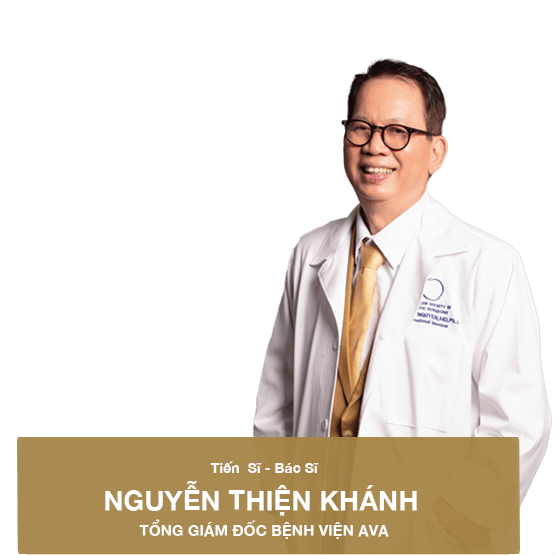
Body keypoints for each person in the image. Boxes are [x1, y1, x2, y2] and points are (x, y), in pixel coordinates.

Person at [252, 58, 550, 505]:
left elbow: (518, 426)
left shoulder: (488, 264)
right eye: (361, 128)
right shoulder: (310, 254)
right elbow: (277, 407)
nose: (375, 146)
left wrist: (451, 528)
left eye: (398, 132)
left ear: (436, 152)